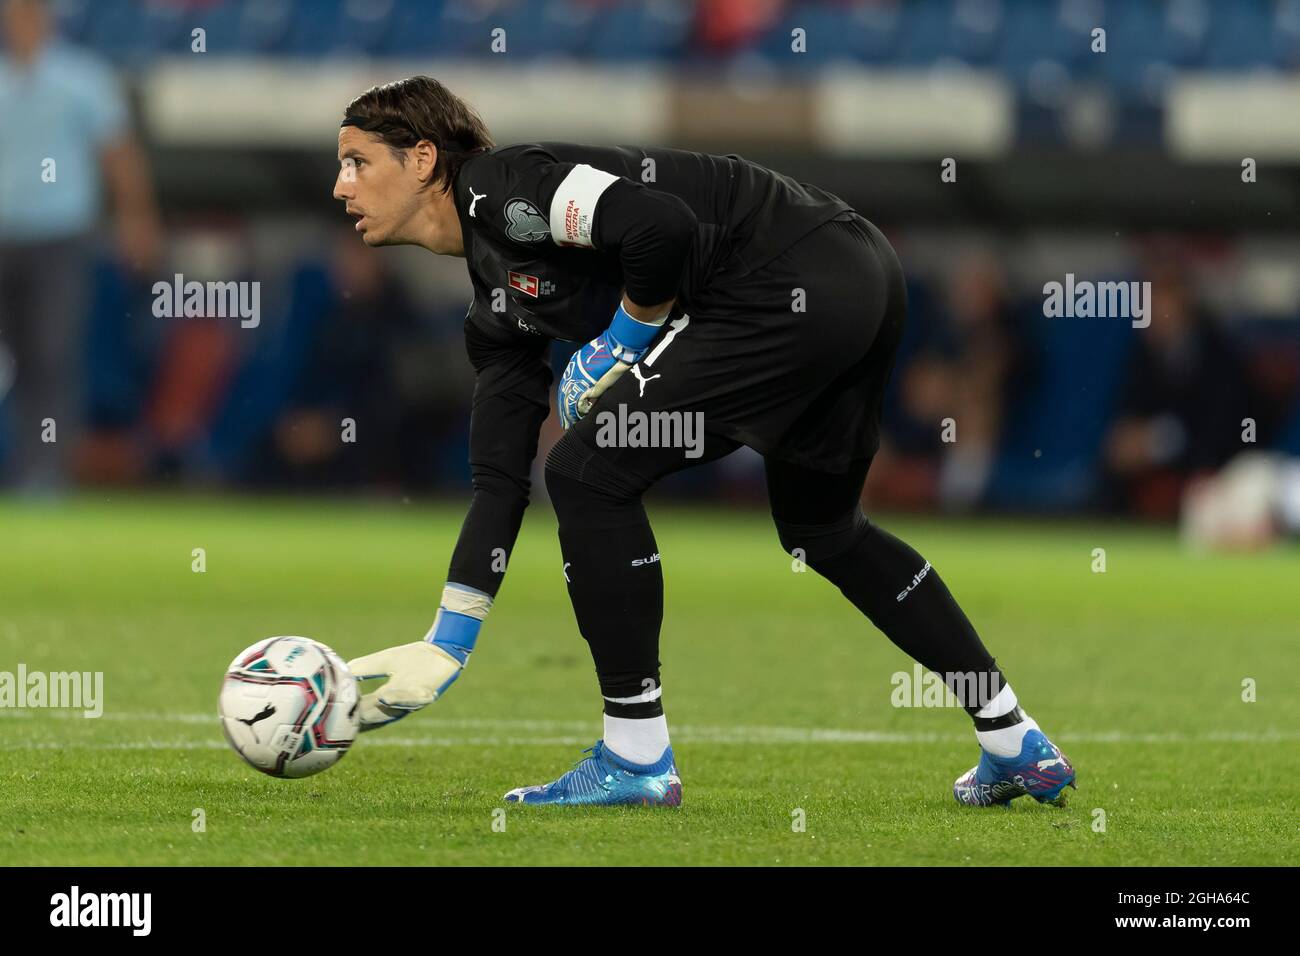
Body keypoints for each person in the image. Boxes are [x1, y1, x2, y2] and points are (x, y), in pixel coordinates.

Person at [333, 76, 1076, 808]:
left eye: (358, 161)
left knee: (589, 475)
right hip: (856, 277)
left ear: (424, 158)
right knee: (825, 530)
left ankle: (635, 756)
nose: (342, 187)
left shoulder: (500, 186)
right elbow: (498, 481)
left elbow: (659, 228)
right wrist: (446, 642)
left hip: (794, 275)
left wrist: (619, 342)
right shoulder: (495, 313)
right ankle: (1014, 738)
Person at [0, 0, 160, 490]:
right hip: (4, 235)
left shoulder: (82, 78)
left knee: (51, 353)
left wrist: (137, 218)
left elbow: (118, 155)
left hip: (59, 236)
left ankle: (42, 474)